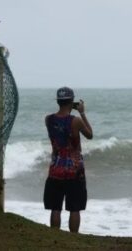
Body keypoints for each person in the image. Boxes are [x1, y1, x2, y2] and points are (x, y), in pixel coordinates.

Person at [43, 86, 93, 233]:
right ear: (72, 102)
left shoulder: (49, 119)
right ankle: (73, 237)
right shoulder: (75, 121)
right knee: (74, 207)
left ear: (58, 101)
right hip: (74, 170)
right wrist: (82, 112)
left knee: (55, 207)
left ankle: (55, 235)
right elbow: (90, 134)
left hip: (55, 168)